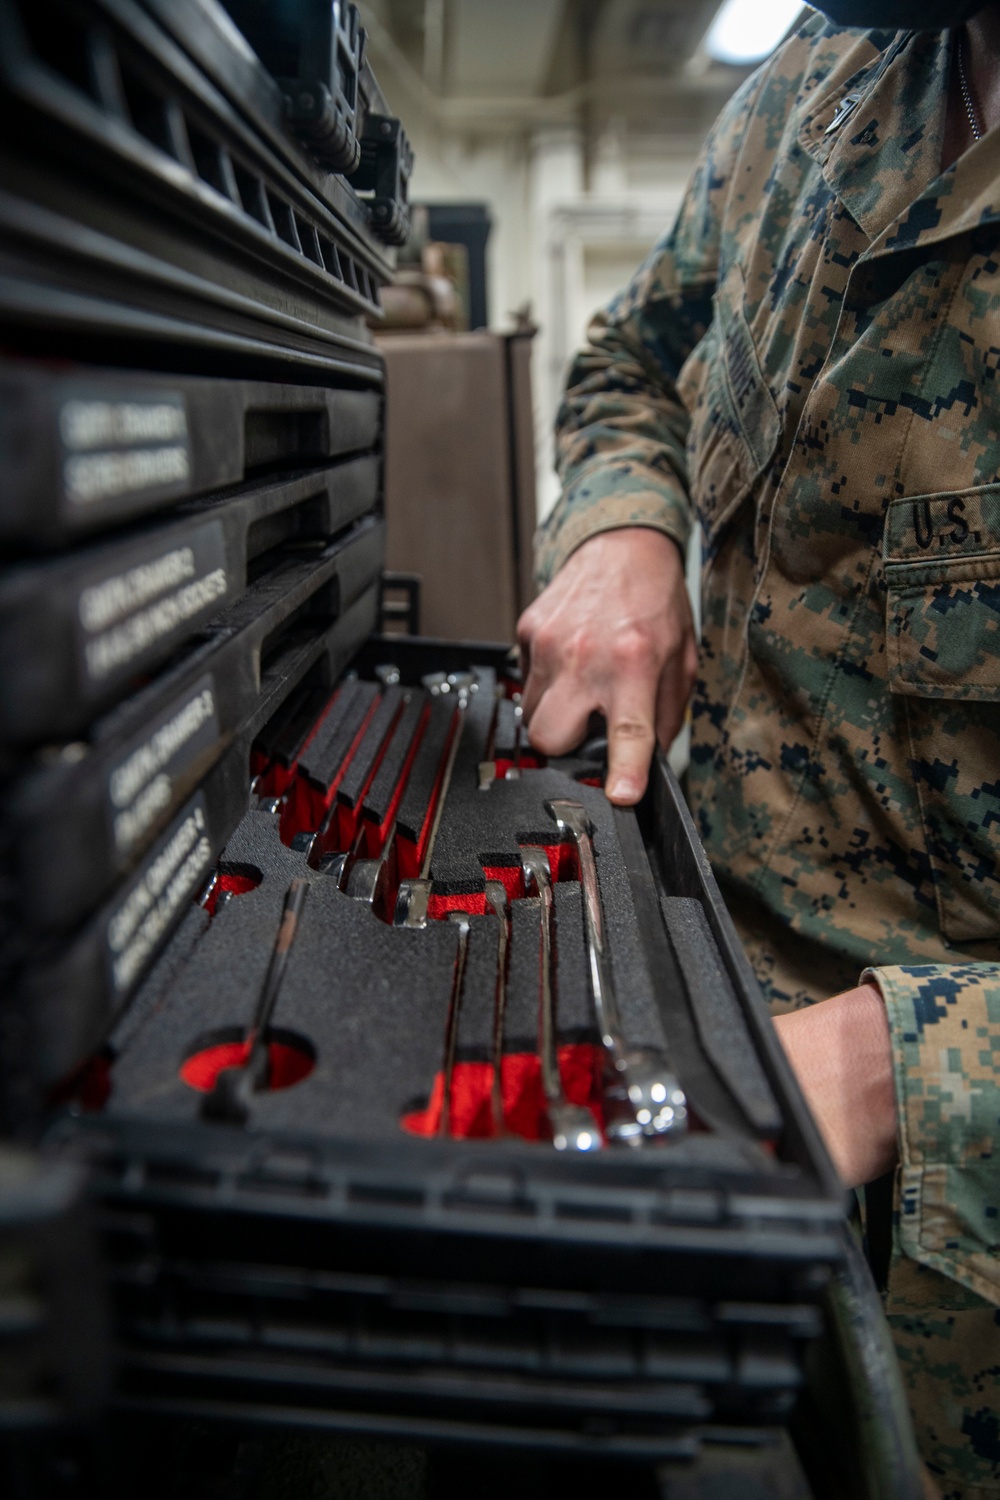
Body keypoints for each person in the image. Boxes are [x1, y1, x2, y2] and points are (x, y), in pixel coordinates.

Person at [517, 5, 1000, 1495]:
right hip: (683, 982)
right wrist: (625, 529)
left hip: (948, 1296)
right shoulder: (832, 68)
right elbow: (634, 363)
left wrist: (891, 1079)